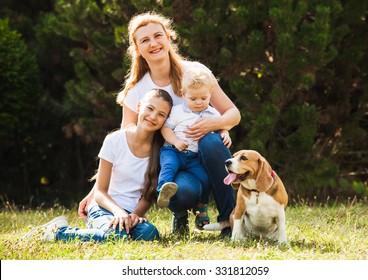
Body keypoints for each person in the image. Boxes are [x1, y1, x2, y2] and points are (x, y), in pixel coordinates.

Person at [79, 11, 240, 236]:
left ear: (168, 37)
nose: (153, 43)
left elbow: (234, 114)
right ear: (137, 49)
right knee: (180, 191)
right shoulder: (136, 92)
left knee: (212, 142)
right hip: (170, 159)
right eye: (145, 40)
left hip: (203, 155)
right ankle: (180, 213)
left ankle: (229, 221)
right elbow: (124, 143)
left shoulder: (196, 73)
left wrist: (216, 124)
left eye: (158, 36)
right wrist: (97, 190)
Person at [25, 89, 173, 242]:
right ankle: (58, 232)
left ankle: (105, 233)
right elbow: (100, 192)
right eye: (150, 108)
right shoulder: (114, 140)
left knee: (150, 233)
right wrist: (118, 212)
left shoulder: (161, 151)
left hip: (131, 213)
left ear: (165, 120)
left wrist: (135, 215)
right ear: (139, 107)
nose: (153, 116)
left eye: (161, 114)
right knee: (117, 237)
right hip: (103, 208)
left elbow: (148, 196)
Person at [156, 67, 232, 231]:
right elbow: (165, 129)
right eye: (193, 98)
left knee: (205, 179)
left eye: (204, 98)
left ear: (210, 95)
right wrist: (176, 141)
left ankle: (202, 207)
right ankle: (163, 189)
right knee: (169, 166)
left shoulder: (212, 113)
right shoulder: (177, 111)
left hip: (194, 158)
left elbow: (222, 126)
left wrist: (225, 133)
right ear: (183, 94)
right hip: (173, 150)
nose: (199, 102)